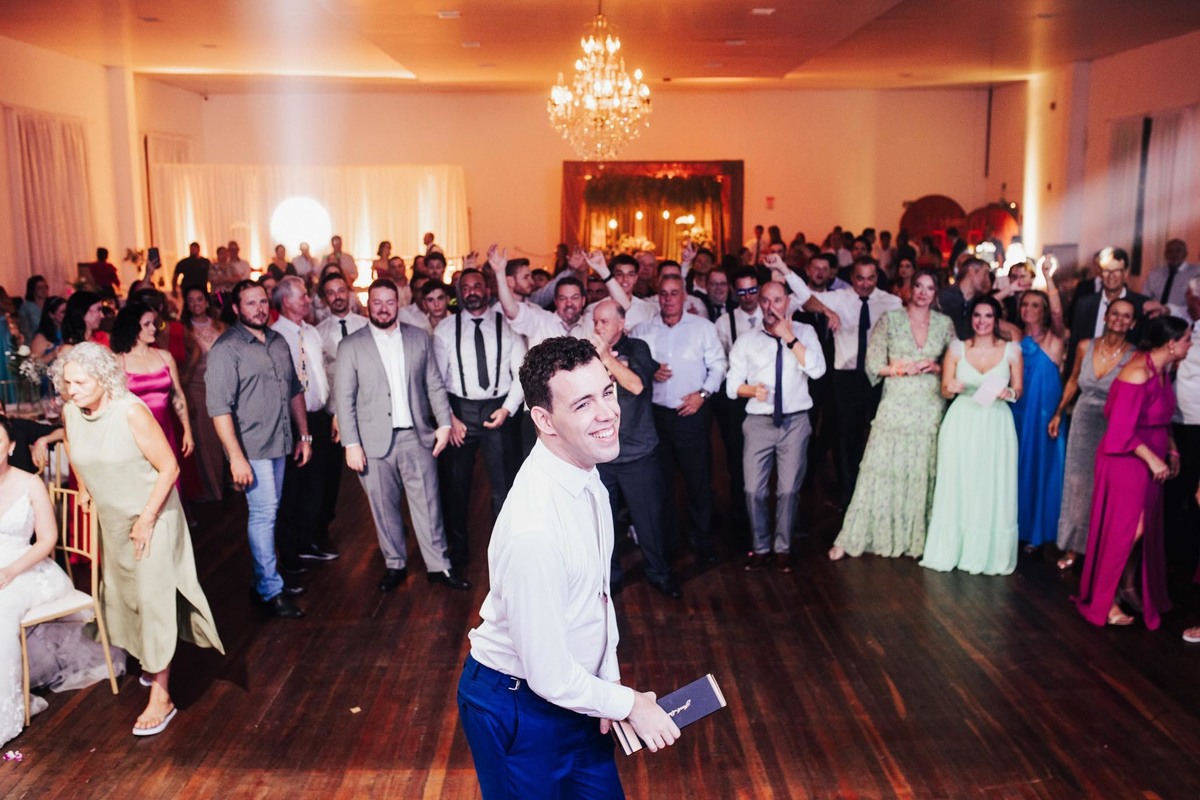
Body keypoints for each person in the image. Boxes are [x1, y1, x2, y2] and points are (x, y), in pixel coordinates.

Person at [458, 336, 679, 798]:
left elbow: (598, 599)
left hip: (577, 693)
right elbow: (548, 674)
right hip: (517, 705)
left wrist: (609, 685)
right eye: (583, 404)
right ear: (544, 420)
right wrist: (628, 703)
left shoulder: (586, 472)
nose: (607, 413)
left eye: (607, 392)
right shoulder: (534, 530)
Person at [58, 343, 223, 735]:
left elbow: (169, 467)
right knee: (126, 597)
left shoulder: (131, 411)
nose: (71, 390)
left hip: (154, 516)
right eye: (67, 382)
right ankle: (152, 658)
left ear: (104, 379)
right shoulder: (71, 412)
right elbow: (76, 451)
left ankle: (162, 696)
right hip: (114, 522)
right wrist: (84, 488)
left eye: (80, 382)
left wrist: (146, 520)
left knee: (152, 600)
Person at [332, 279, 469, 593]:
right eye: (377, 302)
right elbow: (344, 399)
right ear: (368, 304)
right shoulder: (351, 345)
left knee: (429, 505)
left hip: (416, 437)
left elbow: (434, 384)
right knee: (383, 508)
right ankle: (395, 563)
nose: (383, 308)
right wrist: (351, 444)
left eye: (389, 302)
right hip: (371, 442)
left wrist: (444, 425)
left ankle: (439, 565)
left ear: (399, 304)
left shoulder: (418, 337)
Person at [1075, 316, 1192, 629]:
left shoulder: (1163, 370)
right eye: (1187, 339)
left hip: (1149, 457)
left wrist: (1171, 449)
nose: (1190, 344)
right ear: (1171, 343)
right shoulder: (1137, 373)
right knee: (1129, 529)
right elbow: (1118, 430)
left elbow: (1161, 416)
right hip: (1125, 459)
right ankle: (1105, 598)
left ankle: (1127, 587)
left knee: (1143, 528)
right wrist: (1153, 460)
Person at [830, 269, 954, 561]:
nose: (922, 292)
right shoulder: (890, 319)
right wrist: (900, 369)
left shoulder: (944, 324)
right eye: (918, 286)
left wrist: (937, 367)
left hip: (929, 404)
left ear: (935, 293)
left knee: (922, 469)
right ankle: (854, 536)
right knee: (881, 465)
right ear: (910, 288)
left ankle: (919, 538)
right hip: (896, 400)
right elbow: (873, 364)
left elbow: (955, 362)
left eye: (929, 288)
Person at [206, 280, 310, 619]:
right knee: (264, 514)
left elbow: (294, 389)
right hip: (251, 447)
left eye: (263, 302)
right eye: (250, 303)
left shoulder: (278, 341)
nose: (259, 309)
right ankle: (271, 590)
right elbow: (219, 408)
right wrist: (236, 457)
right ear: (236, 308)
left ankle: (260, 580)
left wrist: (304, 435)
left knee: (271, 512)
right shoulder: (227, 348)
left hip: (280, 441)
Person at [727, 281, 826, 573]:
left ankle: (782, 548)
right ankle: (760, 547)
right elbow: (732, 387)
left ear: (788, 303)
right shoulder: (747, 340)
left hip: (795, 422)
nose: (771, 307)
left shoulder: (805, 333)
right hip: (758, 423)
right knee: (753, 491)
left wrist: (790, 338)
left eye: (777, 300)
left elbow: (817, 370)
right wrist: (750, 390)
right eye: (766, 301)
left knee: (788, 490)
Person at [921, 296, 1023, 576]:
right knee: (959, 480)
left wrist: (1008, 392)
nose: (982, 321)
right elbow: (944, 390)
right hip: (962, 419)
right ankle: (953, 549)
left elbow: (1019, 391)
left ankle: (989, 552)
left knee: (991, 483)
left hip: (996, 422)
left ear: (996, 319)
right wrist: (951, 387)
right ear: (971, 318)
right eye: (977, 315)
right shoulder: (957, 349)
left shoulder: (1012, 351)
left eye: (988, 316)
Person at [432, 269, 525, 571]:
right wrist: (449, 416)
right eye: (466, 287)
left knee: (503, 487)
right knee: (456, 487)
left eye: (477, 286)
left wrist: (507, 409)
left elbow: (521, 373)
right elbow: (436, 379)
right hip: (459, 411)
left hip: (498, 408)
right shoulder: (445, 329)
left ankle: (504, 555)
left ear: (488, 290)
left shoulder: (507, 324)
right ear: (460, 293)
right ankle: (458, 553)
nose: (472, 291)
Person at [632, 273, 727, 563]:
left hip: (692, 414)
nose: (669, 299)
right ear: (657, 297)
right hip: (656, 416)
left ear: (685, 296)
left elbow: (719, 366)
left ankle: (702, 539)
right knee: (662, 483)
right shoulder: (642, 330)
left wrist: (703, 395)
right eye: (663, 293)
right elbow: (631, 369)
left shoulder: (703, 328)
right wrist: (649, 370)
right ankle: (669, 543)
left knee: (698, 480)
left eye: (674, 293)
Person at [590, 299, 679, 597]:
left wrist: (607, 359)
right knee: (604, 522)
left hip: (638, 453)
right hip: (601, 453)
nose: (598, 327)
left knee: (648, 520)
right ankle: (611, 576)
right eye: (595, 321)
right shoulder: (587, 354)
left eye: (604, 321)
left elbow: (638, 385)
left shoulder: (638, 348)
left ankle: (659, 573)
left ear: (621, 323)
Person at [0, 418, 77, 747]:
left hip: (27, 566)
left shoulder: (30, 483)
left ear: (11, 446)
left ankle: (6, 711)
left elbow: (47, 539)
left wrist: (11, 570)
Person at [809, 257, 904, 508]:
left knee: (881, 436)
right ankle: (849, 495)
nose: (865, 284)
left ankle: (879, 494)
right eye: (860, 278)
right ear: (852, 277)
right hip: (846, 378)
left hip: (878, 376)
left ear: (877, 277)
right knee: (846, 438)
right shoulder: (840, 298)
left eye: (870, 278)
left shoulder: (891, 302)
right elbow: (803, 300)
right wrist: (826, 310)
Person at [1049, 299, 1136, 570]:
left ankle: (1100, 547)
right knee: (1077, 484)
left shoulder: (1134, 356)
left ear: (1133, 323)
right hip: (1084, 419)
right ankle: (1074, 546)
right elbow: (1073, 380)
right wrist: (1058, 412)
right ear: (1105, 317)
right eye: (1115, 313)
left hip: (1114, 424)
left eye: (1126, 316)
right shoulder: (1085, 346)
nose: (1119, 319)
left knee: (1106, 486)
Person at [270, 277, 338, 567]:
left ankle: (310, 540)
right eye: (303, 296)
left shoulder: (311, 332)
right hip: (292, 421)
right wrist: (301, 432)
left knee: (317, 482)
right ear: (286, 301)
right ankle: (290, 551)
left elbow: (320, 372)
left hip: (319, 415)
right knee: (293, 487)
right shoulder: (275, 336)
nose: (309, 300)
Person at [110, 303, 195, 475]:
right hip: (134, 435)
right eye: (147, 324)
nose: (154, 328)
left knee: (170, 477)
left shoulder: (165, 357)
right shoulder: (118, 362)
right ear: (133, 327)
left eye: (153, 323)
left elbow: (177, 395)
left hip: (165, 430)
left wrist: (187, 430)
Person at [315, 271, 368, 541]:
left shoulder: (367, 325)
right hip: (334, 414)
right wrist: (336, 411)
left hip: (369, 410)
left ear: (349, 292)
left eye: (341, 290)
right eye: (331, 293)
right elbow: (321, 378)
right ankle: (323, 528)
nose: (337, 296)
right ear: (324, 299)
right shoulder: (318, 333)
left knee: (376, 473)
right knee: (330, 476)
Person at [1011, 291, 1066, 550]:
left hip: (1043, 415)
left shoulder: (1055, 339)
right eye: (1025, 304)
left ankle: (1035, 533)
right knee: (1015, 468)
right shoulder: (1013, 336)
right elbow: (985, 311)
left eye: (1036, 305)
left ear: (1044, 311)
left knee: (1040, 468)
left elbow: (1058, 313)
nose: (1029, 309)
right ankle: (1013, 528)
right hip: (1017, 411)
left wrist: (1047, 277)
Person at [180, 287, 226, 503]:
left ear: (207, 302)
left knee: (224, 435)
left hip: (222, 385)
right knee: (206, 439)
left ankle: (229, 480)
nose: (196, 304)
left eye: (199, 299)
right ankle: (212, 488)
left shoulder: (220, 326)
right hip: (197, 385)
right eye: (191, 300)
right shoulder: (184, 330)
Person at [1143, 239, 1197, 309]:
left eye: (1178, 250)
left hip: (1182, 315)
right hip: (1156, 313)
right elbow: (1145, 298)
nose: (1174, 254)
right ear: (1165, 254)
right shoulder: (1155, 274)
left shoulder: (1195, 273)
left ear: (1185, 253)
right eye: (1170, 251)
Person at [60, 290, 107, 355]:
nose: (102, 315)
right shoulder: (70, 349)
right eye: (98, 309)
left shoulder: (103, 337)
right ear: (83, 311)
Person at [30, 297, 66, 366]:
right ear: (51, 315)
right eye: (63, 312)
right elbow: (33, 365)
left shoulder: (69, 331)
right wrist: (52, 354)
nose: (67, 315)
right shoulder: (42, 336)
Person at [18, 275, 49, 344]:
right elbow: (25, 330)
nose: (44, 290)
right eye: (40, 288)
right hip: (35, 342)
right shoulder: (26, 307)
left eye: (46, 287)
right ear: (32, 289)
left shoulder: (51, 304)